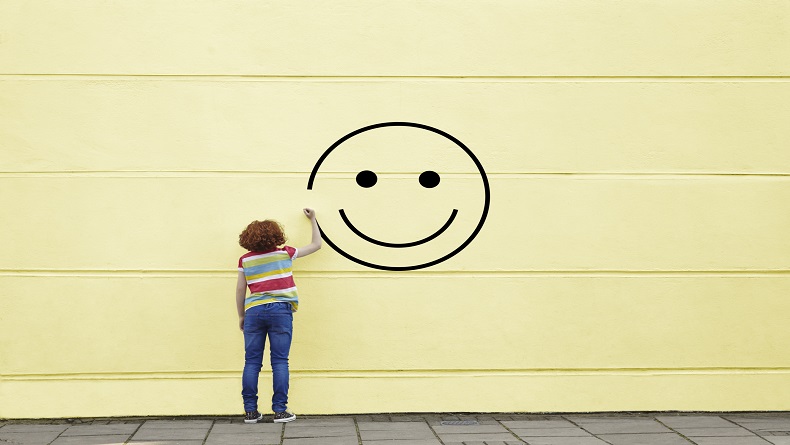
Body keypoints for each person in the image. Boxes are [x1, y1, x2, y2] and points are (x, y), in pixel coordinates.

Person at [236, 208, 322, 424]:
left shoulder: (245, 260)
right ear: (277, 236)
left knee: (252, 362)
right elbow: (316, 245)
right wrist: (313, 219)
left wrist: (241, 316)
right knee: (280, 361)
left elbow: (240, 290)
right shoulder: (285, 254)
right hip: (280, 311)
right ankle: (280, 411)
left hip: (254, 311)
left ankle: (250, 412)